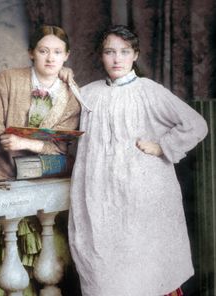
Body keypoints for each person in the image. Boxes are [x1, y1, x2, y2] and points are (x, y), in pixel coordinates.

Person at [68, 25, 208, 296]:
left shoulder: (149, 91)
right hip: (100, 199)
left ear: (135, 55)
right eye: (109, 52)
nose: (116, 59)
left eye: (124, 51)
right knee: (105, 275)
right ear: (101, 56)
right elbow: (61, 124)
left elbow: (196, 124)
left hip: (142, 201)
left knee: (144, 272)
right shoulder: (88, 95)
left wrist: (162, 147)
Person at [0, 25, 81, 295]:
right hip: (1, 171)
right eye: (43, 51)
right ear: (31, 53)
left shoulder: (71, 95)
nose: (50, 58)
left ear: (67, 56)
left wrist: (27, 143)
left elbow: (62, 148)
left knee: (46, 260)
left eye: (57, 52)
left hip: (42, 177)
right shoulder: (9, 79)